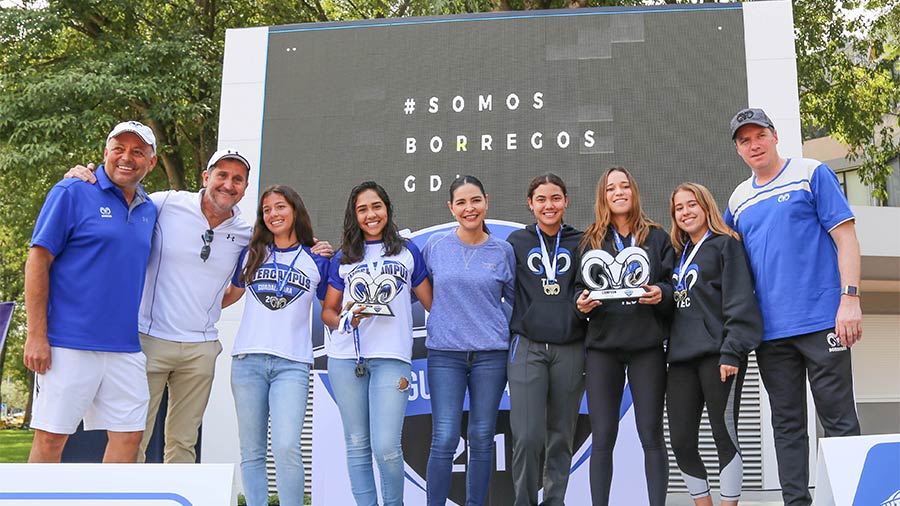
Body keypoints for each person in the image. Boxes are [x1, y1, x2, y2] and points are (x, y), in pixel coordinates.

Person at [66, 150, 332, 463]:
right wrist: (87, 181)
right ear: (206, 178)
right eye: (222, 175)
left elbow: (243, 283)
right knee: (132, 437)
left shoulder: (246, 234)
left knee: (183, 443)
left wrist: (311, 245)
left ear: (244, 188)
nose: (228, 184)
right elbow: (119, 201)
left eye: (237, 179)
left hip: (200, 349)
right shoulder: (167, 203)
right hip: (148, 340)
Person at [725, 108, 863, 506]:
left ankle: (851, 499)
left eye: (759, 136)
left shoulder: (811, 172)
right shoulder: (738, 198)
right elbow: (727, 264)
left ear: (774, 136)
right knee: (786, 426)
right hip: (770, 335)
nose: (754, 145)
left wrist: (849, 299)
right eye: (744, 140)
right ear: (738, 149)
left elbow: (846, 238)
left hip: (824, 322)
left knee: (838, 421)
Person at [24, 121, 158, 462]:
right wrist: (36, 335)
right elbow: (38, 261)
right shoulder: (71, 192)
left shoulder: (149, 209)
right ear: (105, 153)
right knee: (51, 438)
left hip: (125, 347)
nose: (127, 158)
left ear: (151, 162)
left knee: (130, 437)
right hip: (67, 343)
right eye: (119, 149)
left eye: (138, 152)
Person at [321, 181, 433, 506]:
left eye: (376, 206)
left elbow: (432, 304)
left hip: (392, 358)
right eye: (362, 209)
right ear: (354, 216)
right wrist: (346, 320)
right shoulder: (343, 257)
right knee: (357, 443)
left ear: (387, 208)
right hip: (346, 359)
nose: (371, 214)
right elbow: (328, 311)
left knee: (386, 446)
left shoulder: (407, 251)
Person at [219, 186, 329, 506]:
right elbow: (229, 296)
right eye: (266, 210)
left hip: (291, 365)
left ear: (295, 210)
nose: (273, 214)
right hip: (247, 361)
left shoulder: (316, 257)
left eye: (280, 207)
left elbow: (334, 306)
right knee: (252, 452)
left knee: (286, 447)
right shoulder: (252, 254)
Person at [575, 167, 673, 506]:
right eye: (611, 188)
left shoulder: (657, 237)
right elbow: (576, 291)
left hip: (647, 347)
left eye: (625, 186)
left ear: (634, 191)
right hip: (604, 349)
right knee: (603, 437)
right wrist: (581, 303)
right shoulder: (589, 240)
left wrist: (661, 292)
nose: (619, 192)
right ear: (603, 196)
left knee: (651, 435)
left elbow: (675, 284)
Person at [667, 182, 763, 506]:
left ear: (706, 206)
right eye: (679, 208)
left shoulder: (726, 245)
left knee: (724, 436)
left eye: (691, 204)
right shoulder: (677, 256)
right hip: (680, 359)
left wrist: (732, 350)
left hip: (720, 356)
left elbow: (740, 301)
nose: (685, 212)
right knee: (680, 440)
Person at [422, 175, 516, 506]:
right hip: (445, 355)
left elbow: (517, 303)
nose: (469, 208)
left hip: (490, 356)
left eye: (475, 200)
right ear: (451, 207)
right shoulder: (435, 245)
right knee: (444, 438)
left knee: (481, 437)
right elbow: (419, 286)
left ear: (486, 201)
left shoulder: (503, 251)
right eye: (461, 202)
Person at [506, 173, 586, 506]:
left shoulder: (583, 242)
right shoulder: (516, 242)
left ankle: (555, 501)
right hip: (528, 346)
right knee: (526, 436)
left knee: (561, 438)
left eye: (555, 198)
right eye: (541, 199)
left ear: (565, 201)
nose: (548, 205)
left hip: (570, 347)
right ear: (530, 204)